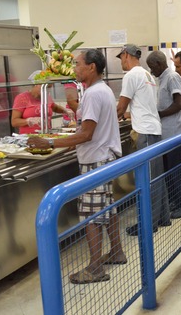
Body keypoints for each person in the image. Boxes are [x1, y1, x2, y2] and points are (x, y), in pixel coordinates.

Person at [27, 49, 125, 284]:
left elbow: (87, 134)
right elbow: (87, 131)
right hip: (104, 157)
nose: (74, 68)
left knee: (91, 214)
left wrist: (50, 142)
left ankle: (95, 268)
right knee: (107, 207)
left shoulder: (92, 94)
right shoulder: (103, 90)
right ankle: (117, 251)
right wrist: (70, 142)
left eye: (78, 63)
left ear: (92, 67)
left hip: (96, 159)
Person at [116, 44, 171, 235]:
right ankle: (162, 217)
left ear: (126, 55)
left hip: (145, 133)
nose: (121, 62)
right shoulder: (147, 75)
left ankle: (148, 224)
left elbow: (120, 109)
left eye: (121, 57)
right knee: (157, 176)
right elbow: (143, 106)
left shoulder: (131, 75)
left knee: (147, 179)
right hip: (154, 129)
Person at [146, 50, 181, 219]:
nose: (151, 71)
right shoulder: (161, 78)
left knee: (176, 169)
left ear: (159, 64)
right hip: (166, 133)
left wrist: (159, 114)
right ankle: (174, 200)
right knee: (169, 170)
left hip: (175, 132)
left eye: (152, 67)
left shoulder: (172, 77)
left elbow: (179, 104)